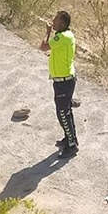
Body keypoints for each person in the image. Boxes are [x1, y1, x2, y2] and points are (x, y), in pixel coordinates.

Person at [39, 11, 79, 158]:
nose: (53, 22)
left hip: (64, 82)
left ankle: (71, 145)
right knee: (66, 111)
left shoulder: (61, 37)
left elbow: (43, 47)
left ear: (62, 22)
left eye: (55, 20)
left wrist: (48, 32)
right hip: (63, 80)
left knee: (62, 113)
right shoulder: (67, 35)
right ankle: (70, 138)